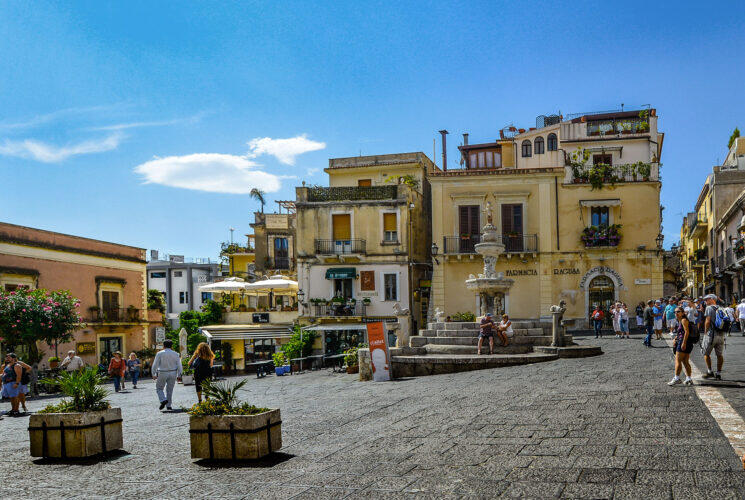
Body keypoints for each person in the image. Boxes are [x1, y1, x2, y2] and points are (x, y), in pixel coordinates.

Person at [151, 339, 182, 410]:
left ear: (163, 346)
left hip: (162, 372)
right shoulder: (176, 354)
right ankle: (169, 405)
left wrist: (153, 373)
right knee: (170, 389)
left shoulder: (160, 353)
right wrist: (179, 375)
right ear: (171, 346)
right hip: (173, 372)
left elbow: (155, 364)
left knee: (159, 388)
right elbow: (179, 365)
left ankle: (163, 400)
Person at [669, 306, 695, 386]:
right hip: (686, 342)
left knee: (677, 360)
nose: (676, 313)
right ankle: (688, 379)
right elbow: (682, 332)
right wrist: (676, 338)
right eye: (675, 312)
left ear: (683, 313)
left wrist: (683, 343)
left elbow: (686, 332)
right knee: (685, 361)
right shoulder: (681, 320)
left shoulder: (683, 320)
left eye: (678, 312)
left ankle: (677, 378)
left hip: (684, 342)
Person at [702, 294, 726, 380]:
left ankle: (709, 371)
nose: (705, 301)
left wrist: (705, 332)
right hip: (721, 335)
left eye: (707, 299)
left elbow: (707, 321)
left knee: (706, 353)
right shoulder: (721, 308)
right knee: (719, 355)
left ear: (712, 299)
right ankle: (718, 373)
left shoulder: (709, 308)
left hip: (711, 335)